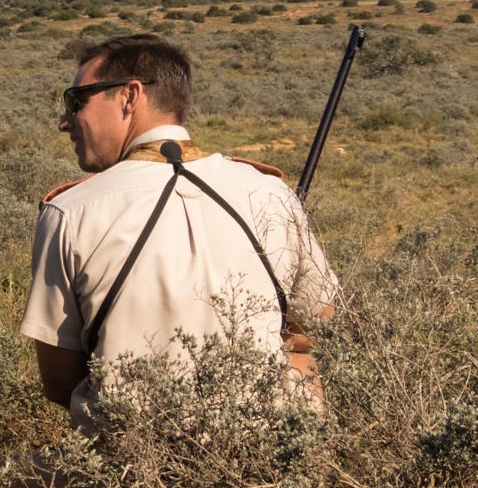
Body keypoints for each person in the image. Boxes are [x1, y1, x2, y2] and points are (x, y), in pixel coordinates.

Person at [21, 34, 340, 430]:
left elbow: (59, 383)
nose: (65, 121)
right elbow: (317, 325)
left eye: (76, 100)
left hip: (133, 470)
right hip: (274, 461)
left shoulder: (71, 212)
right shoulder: (272, 193)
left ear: (129, 96)